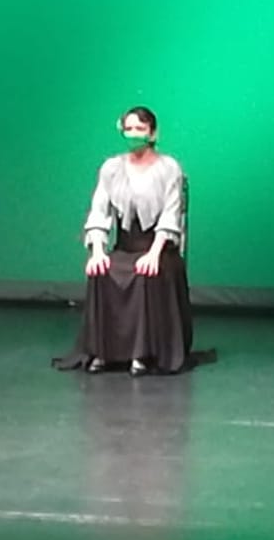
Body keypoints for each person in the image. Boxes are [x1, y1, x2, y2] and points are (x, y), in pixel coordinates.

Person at [54, 106, 208, 376]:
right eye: (129, 129)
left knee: (144, 273)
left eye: (140, 129)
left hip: (159, 248)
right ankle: (103, 351)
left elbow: (171, 214)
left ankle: (142, 353)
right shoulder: (112, 168)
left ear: (152, 133)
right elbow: (99, 210)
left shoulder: (168, 168)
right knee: (103, 270)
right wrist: (97, 251)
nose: (134, 134)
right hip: (125, 246)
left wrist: (154, 253)